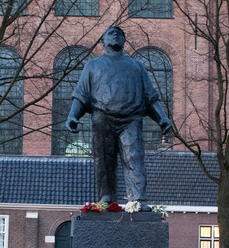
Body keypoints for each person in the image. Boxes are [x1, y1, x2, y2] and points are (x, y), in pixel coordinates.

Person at [67, 26, 172, 211]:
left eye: (120, 34)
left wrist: (162, 117)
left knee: (134, 157)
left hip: (130, 119)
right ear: (103, 41)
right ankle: (106, 198)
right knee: (103, 160)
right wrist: (73, 115)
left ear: (124, 41)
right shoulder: (92, 65)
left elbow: (150, 96)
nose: (115, 35)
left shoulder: (137, 67)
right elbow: (82, 94)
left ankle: (137, 200)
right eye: (111, 33)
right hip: (102, 118)